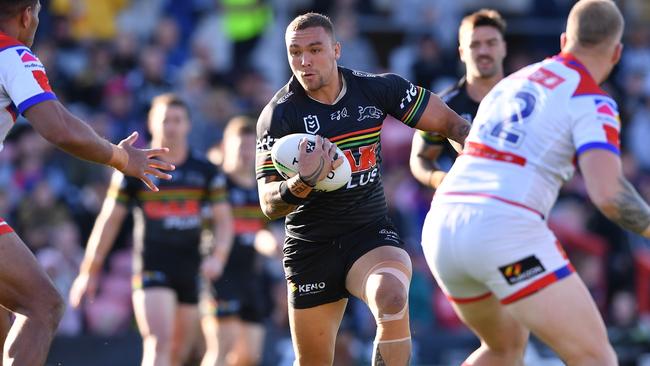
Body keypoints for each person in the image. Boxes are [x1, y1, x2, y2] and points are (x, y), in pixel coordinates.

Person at [421, 0, 637, 364]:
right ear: (616, 53)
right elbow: (609, 194)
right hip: (503, 236)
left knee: (503, 350)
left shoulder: (511, 83)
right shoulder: (592, 99)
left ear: (565, 39)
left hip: (442, 227)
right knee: (597, 358)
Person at [255, 12, 470, 366]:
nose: (304, 61)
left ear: (337, 50)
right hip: (311, 246)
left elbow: (453, 125)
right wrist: (304, 181)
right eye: (295, 52)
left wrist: (473, 154)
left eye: (315, 49)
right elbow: (268, 204)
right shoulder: (279, 115)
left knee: (391, 294)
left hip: (368, 233)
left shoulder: (375, 89)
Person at [0, 1, 173, 365]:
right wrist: (121, 157)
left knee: (4, 320)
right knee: (42, 305)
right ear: (27, 15)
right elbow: (58, 127)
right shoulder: (13, 54)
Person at [69, 93, 234, 366]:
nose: (171, 126)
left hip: (191, 270)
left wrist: (219, 256)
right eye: (165, 120)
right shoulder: (133, 168)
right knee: (159, 343)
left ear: (188, 125)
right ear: (151, 123)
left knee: (180, 352)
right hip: (151, 266)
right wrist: (89, 272)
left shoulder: (205, 171)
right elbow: (109, 220)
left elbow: (224, 220)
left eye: (177, 120)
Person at [201, 116, 278, 366]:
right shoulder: (216, 183)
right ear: (225, 147)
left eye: (250, 147)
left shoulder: (263, 187)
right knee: (221, 350)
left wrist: (272, 244)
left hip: (251, 277)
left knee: (248, 357)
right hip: (221, 276)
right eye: (240, 146)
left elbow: (263, 231)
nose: (246, 153)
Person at [410, 9, 507, 189]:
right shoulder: (444, 104)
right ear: (462, 52)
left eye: (491, 43)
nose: (483, 51)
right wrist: (441, 180)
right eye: (475, 45)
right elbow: (420, 158)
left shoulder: (526, 99)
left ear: (504, 47)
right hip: (466, 203)